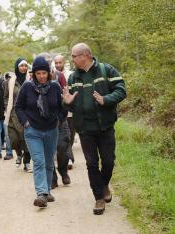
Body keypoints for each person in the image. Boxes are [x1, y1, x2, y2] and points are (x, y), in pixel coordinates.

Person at [62, 43, 126, 215]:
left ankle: (104, 184)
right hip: (85, 129)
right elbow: (69, 103)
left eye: (74, 56)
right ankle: (98, 198)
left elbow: (121, 90)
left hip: (105, 126)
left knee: (108, 161)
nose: (72, 59)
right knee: (91, 164)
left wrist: (107, 99)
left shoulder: (107, 70)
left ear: (86, 55)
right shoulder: (73, 78)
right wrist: (66, 102)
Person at [15, 56, 64, 208]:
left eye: (44, 73)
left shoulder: (55, 87)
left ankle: (47, 190)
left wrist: (58, 120)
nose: (41, 76)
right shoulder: (27, 87)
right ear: (34, 74)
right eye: (38, 73)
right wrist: (26, 123)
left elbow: (62, 106)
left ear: (48, 73)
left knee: (49, 162)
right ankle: (41, 193)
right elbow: (19, 107)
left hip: (51, 130)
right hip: (33, 130)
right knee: (39, 161)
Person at [38, 52, 71, 189]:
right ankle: (53, 178)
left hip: (60, 121)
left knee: (63, 148)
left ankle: (63, 171)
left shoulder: (59, 76)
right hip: (43, 124)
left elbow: (65, 96)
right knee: (48, 152)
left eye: (48, 61)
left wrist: (61, 116)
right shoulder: (33, 80)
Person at [3, 58, 32, 172]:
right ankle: (19, 154)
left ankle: (26, 162)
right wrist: (6, 108)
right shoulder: (9, 82)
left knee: (27, 139)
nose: (24, 68)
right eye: (21, 65)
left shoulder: (30, 80)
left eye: (25, 65)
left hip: (27, 114)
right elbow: (5, 97)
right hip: (12, 114)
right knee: (14, 140)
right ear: (17, 67)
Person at [54, 54, 76, 169]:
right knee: (63, 137)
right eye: (56, 63)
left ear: (64, 62)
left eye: (60, 62)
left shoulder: (71, 75)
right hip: (59, 112)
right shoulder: (52, 74)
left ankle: (66, 156)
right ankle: (67, 159)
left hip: (71, 111)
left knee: (71, 136)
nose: (58, 65)